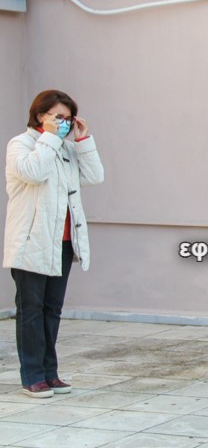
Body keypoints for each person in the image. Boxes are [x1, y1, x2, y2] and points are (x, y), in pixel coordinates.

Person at [4, 89, 104, 399]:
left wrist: (83, 141)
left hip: (63, 242)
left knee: (52, 310)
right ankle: (33, 376)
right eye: (57, 117)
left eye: (68, 118)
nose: (64, 123)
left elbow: (95, 176)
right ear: (39, 115)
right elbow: (33, 173)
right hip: (32, 241)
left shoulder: (66, 149)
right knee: (31, 310)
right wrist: (49, 138)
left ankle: (50, 373)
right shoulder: (21, 145)